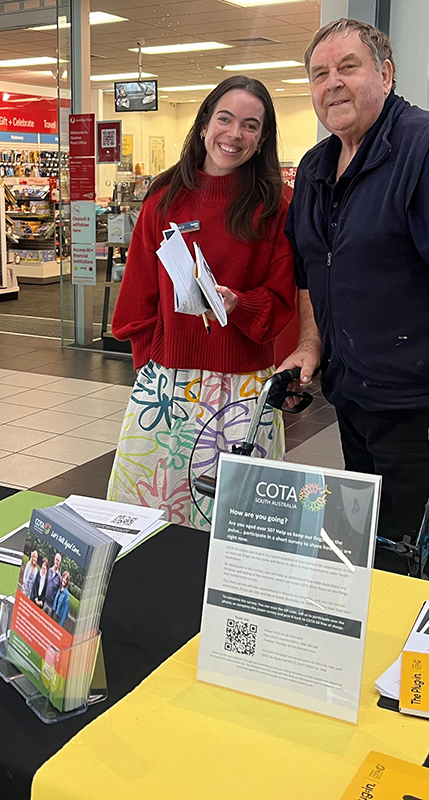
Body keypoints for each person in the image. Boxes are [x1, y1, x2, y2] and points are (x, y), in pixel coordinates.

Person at [280, 19, 429, 573]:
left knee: (405, 552)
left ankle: (421, 626)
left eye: (348, 67)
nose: (332, 83)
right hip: (356, 393)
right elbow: (312, 267)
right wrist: (312, 345)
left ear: (385, 74)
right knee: (367, 543)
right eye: (319, 74)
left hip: (425, 401)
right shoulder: (316, 166)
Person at [107, 75, 297, 530]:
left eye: (250, 125)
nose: (234, 134)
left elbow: (280, 301)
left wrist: (238, 304)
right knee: (145, 518)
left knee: (239, 526)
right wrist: (155, 362)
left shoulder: (278, 205)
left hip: (243, 390)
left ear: (263, 138)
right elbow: (137, 298)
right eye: (225, 119)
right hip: (167, 384)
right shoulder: (164, 198)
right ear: (205, 123)